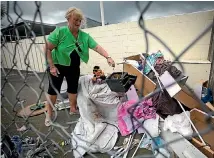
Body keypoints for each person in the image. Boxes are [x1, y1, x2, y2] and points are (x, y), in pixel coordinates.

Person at [44, 7, 115, 126]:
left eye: (80, 20)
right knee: (53, 90)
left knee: (72, 88)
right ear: (68, 18)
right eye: (75, 20)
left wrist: (108, 57)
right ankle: (49, 114)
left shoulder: (84, 36)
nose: (78, 23)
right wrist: (51, 66)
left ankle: (73, 109)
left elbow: (96, 47)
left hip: (73, 67)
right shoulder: (60, 32)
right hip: (57, 66)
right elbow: (47, 48)